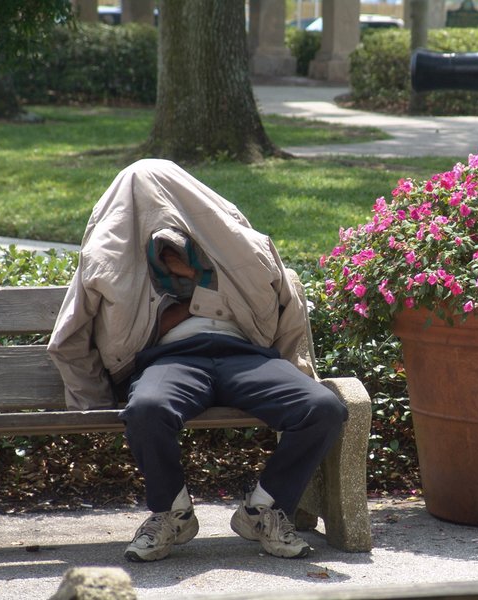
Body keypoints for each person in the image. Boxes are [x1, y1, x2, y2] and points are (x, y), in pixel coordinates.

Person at [48, 159, 348, 562]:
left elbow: (280, 295)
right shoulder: (114, 257)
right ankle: (172, 513)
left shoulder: (228, 247)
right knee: (147, 409)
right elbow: (70, 335)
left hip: (244, 354)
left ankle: (262, 510)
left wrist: (198, 285)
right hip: (170, 360)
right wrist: (94, 400)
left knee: (323, 407)